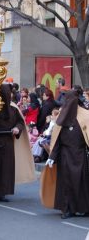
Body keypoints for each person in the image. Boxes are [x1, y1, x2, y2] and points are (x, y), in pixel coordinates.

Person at [0, 84, 36, 202]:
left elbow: (19, 122)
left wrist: (17, 128)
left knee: (5, 167)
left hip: (7, 140)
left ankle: (2, 192)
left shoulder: (13, 108)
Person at [41, 90, 89, 219]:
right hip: (65, 155)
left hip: (80, 154)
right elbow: (56, 139)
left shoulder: (85, 115)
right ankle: (67, 208)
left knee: (81, 182)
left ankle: (83, 207)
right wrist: (52, 156)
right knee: (66, 183)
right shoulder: (62, 115)